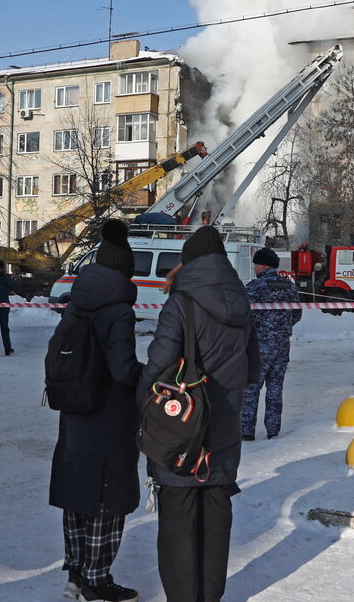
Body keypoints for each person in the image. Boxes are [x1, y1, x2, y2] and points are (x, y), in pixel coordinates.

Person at [140, 225, 260, 602]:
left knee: (178, 522)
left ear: (188, 261)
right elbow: (253, 370)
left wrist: (142, 403)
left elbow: (158, 364)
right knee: (215, 519)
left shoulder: (181, 302)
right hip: (224, 430)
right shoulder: (242, 301)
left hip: (181, 429)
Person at [50, 220, 143, 602]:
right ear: (126, 271)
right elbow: (122, 369)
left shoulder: (78, 301)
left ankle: (75, 573)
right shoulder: (118, 309)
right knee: (107, 497)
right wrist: (151, 375)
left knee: (78, 492)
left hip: (74, 409)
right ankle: (96, 579)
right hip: (108, 415)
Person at [241, 247, 302, 441]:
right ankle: (273, 431)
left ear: (262, 265)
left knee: (252, 388)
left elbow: (243, 314)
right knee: (275, 388)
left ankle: (247, 431)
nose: (255, 268)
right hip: (282, 345)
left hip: (259, 346)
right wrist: (282, 328)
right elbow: (297, 314)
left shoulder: (255, 286)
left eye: (256, 265)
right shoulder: (289, 286)